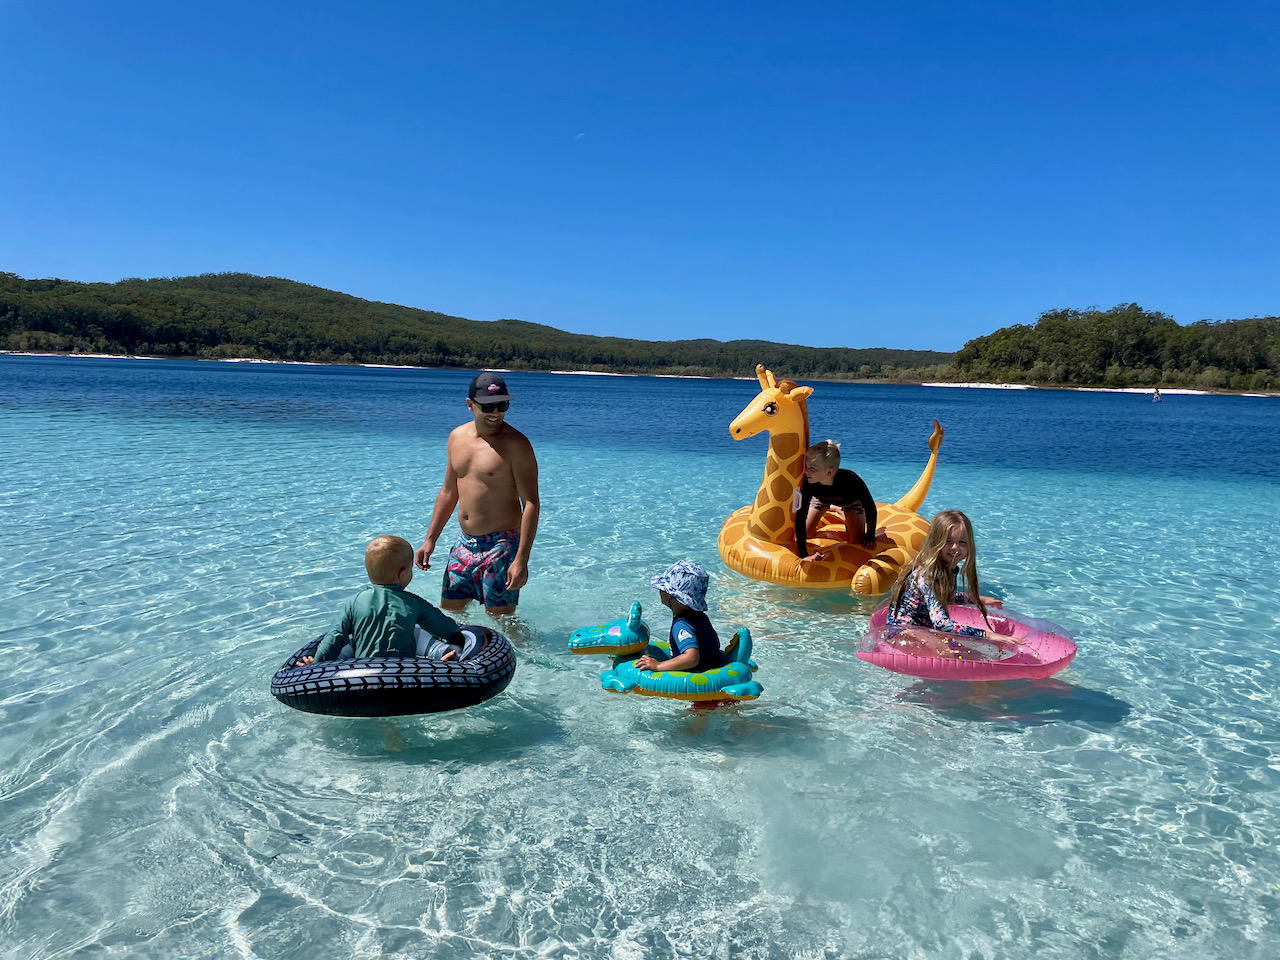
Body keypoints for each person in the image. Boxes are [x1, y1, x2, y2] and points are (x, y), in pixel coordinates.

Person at [416, 372, 540, 617]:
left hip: (501, 545)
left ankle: (526, 656)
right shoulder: (456, 438)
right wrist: (430, 539)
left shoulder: (517, 444)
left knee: (503, 620)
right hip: (464, 544)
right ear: (470, 404)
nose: (495, 412)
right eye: (487, 406)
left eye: (502, 405)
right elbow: (449, 492)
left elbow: (531, 503)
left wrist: (521, 559)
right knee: (450, 614)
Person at [300, 536, 466, 665]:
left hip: (362, 674)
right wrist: (458, 642)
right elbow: (446, 628)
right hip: (407, 672)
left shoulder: (352, 602)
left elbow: (335, 638)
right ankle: (439, 666)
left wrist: (317, 665)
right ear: (402, 573)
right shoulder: (413, 603)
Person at [884, 509, 1003, 654]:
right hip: (902, 634)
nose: (955, 547)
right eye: (948, 541)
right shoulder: (929, 575)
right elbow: (941, 624)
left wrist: (976, 599)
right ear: (936, 542)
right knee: (959, 654)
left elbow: (941, 596)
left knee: (969, 651)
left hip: (919, 630)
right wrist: (987, 635)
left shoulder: (946, 569)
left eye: (962, 542)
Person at [634, 560, 726, 673]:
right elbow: (712, 643)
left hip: (694, 678)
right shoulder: (702, 617)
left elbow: (691, 658)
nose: (660, 591)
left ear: (673, 597)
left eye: (663, 589)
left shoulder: (681, 625)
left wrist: (658, 666)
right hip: (714, 669)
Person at [794, 440, 878, 561]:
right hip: (821, 500)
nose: (806, 471)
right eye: (806, 466)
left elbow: (870, 508)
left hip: (851, 504)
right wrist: (804, 555)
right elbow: (800, 517)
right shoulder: (809, 482)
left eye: (812, 468)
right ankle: (835, 507)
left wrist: (870, 536)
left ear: (829, 472)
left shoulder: (851, 481)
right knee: (807, 533)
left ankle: (842, 510)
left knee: (856, 541)